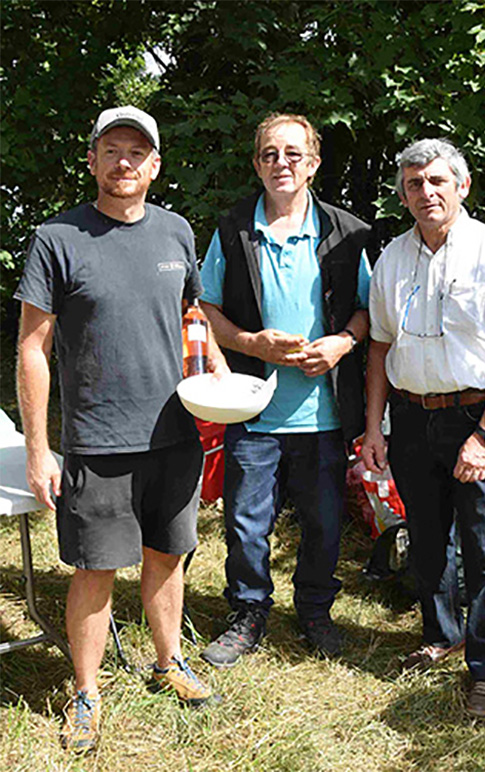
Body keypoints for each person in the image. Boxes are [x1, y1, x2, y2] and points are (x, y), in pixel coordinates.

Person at [15, 106, 228, 753]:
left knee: (168, 554)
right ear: (92, 160)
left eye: (137, 152)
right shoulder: (58, 238)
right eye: (112, 150)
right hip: (97, 441)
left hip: (175, 432)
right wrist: (37, 449)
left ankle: (168, 665)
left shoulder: (175, 233)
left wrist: (218, 368)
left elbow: (192, 311)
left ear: (155, 165)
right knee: (97, 567)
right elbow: (32, 346)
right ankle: (85, 691)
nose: (125, 161)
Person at [362, 138, 485, 718]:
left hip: (475, 415)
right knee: (425, 538)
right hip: (412, 417)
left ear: (461, 186)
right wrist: (374, 428)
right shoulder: (392, 257)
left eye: (438, 182)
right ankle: (441, 634)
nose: (427, 193)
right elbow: (377, 348)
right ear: (403, 194)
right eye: (415, 184)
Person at [199, 113, 372, 667]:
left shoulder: (347, 233)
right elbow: (205, 307)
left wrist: (343, 342)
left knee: (323, 524)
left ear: (314, 164)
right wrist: (251, 341)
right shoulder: (232, 229)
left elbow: (371, 310)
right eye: (270, 154)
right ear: (257, 164)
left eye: (294, 154)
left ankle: (315, 613)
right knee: (246, 524)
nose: (282, 163)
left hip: (323, 415)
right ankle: (248, 613)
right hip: (253, 409)